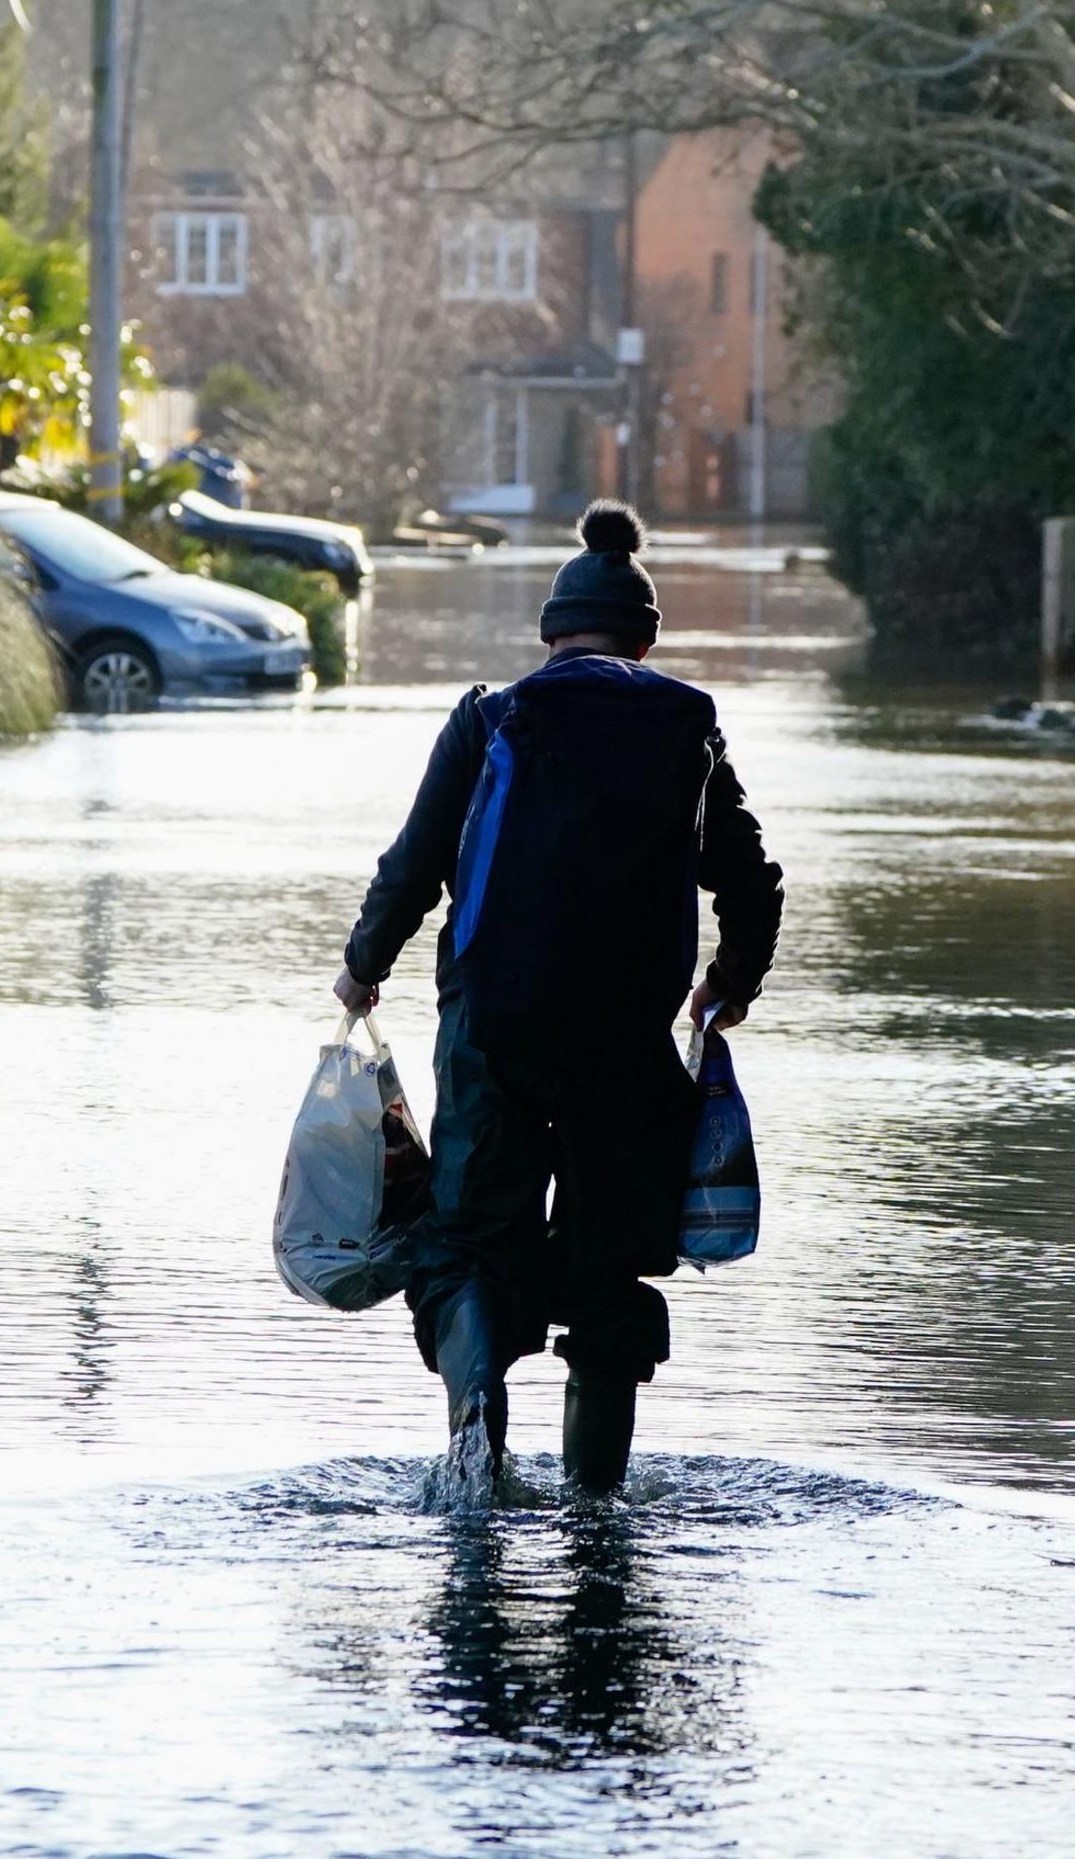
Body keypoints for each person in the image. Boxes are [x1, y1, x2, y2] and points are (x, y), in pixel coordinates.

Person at [336, 501, 784, 1501]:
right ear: (647, 639)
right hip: (627, 1045)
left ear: (550, 635)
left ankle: (478, 1441)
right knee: (610, 1271)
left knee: (469, 1247)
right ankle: (596, 1505)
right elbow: (752, 882)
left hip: (493, 1035)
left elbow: (412, 868)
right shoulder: (688, 729)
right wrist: (728, 986)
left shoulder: (493, 717)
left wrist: (363, 967)